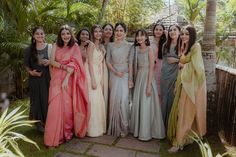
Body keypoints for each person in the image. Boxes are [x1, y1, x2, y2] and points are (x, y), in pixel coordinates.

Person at [44, 24, 89, 147]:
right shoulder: (55, 45)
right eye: (63, 34)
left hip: (68, 80)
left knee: (67, 107)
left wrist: (66, 77)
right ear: (60, 35)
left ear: (71, 34)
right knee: (55, 106)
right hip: (57, 78)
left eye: (68, 33)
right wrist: (63, 66)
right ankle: (54, 136)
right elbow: (52, 61)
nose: (66, 36)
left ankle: (66, 133)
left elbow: (77, 64)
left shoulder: (74, 46)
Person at [168, 25, 207, 153]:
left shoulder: (196, 46)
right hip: (183, 83)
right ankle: (185, 138)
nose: (184, 36)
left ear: (192, 35)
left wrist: (182, 65)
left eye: (187, 34)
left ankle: (179, 143)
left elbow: (198, 68)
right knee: (182, 111)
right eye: (183, 33)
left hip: (192, 86)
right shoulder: (186, 47)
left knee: (185, 112)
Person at [129, 29, 165, 141]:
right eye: (138, 36)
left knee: (146, 103)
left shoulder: (149, 50)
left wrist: (149, 85)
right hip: (139, 77)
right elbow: (131, 65)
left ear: (146, 37)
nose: (139, 38)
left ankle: (146, 132)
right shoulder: (135, 49)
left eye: (142, 36)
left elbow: (151, 68)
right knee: (139, 103)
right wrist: (131, 79)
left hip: (148, 78)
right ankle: (137, 129)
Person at [106, 22, 132, 137]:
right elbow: (107, 61)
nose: (119, 32)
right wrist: (115, 72)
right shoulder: (110, 45)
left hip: (125, 75)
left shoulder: (129, 46)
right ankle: (114, 127)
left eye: (121, 30)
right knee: (114, 101)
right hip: (114, 74)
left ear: (125, 33)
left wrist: (130, 78)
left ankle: (124, 127)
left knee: (124, 101)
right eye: (117, 30)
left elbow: (131, 63)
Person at [24, 27, 51, 132]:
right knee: (36, 100)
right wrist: (31, 72)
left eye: (42, 34)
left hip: (47, 77)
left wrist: (48, 62)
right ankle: (39, 124)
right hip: (34, 79)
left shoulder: (50, 47)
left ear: (44, 35)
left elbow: (55, 60)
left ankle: (48, 122)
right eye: (37, 34)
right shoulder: (28, 49)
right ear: (33, 36)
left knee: (46, 99)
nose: (40, 36)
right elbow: (26, 64)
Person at [85, 25, 108, 137]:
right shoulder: (91, 45)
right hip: (91, 73)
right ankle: (91, 128)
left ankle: (99, 127)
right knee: (93, 100)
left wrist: (103, 52)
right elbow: (89, 62)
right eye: (96, 31)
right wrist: (93, 79)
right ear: (92, 33)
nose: (98, 33)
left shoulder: (101, 46)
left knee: (98, 100)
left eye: (100, 31)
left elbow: (100, 61)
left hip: (98, 73)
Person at [160, 24, 181, 128]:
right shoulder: (165, 45)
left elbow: (187, 60)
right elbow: (164, 61)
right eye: (170, 30)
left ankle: (172, 126)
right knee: (165, 98)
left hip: (177, 74)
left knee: (174, 98)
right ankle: (163, 125)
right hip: (165, 75)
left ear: (179, 32)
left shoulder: (182, 45)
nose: (172, 32)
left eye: (175, 30)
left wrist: (177, 60)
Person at [150, 23, 167, 104]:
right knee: (153, 89)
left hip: (162, 67)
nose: (158, 31)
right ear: (153, 31)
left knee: (161, 90)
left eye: (160, 30)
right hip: (152, 67)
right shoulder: (149, 42)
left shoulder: (165, 43)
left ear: (163, 31)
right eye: (156, 29)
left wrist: (166, 36)